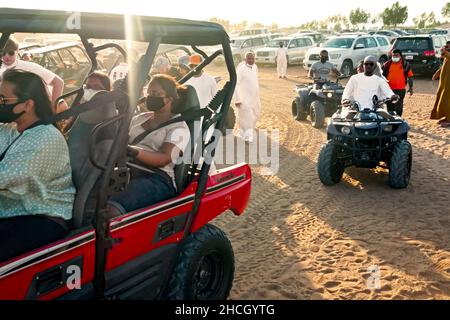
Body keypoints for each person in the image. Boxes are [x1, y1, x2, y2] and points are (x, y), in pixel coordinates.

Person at [0, 70, 75, 262]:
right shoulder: (10, 128)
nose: (0, 104)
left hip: (42, 215)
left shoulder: (45, 138)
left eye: (3, 99)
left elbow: (4, 177)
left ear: (28, 104)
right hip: (11, 207)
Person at [108, 74, 189, 213]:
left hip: (157, 178)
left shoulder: (179, 128)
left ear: (169, 99)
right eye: (149, 92)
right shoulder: (139, 118)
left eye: (156, 94)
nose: (150, 97)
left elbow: (164, 159)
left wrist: (133, 151)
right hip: (126, 169)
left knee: (111, 208)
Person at [0, 37, 64, 111]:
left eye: (10, 53)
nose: (6, 56)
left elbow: (58, 82)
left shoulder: (28, 66)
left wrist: (54, 107)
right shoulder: (2, 69)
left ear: (17, 51)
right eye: (3, 53)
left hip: (38, 111)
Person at [234, 52, 261, 143]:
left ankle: (247, 131)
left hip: (255, 97)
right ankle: (247, 136)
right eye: (249, 59)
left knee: (256, 114)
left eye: (252, 58)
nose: (251, 60)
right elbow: (236, 84)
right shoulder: (241, 69)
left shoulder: (255, 67)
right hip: (244, 98)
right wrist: (238, 99)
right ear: (245, 59)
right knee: (246, 117)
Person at [382, 49, 413, 117]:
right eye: (393, 55)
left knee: (399, 108)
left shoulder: (405, 65)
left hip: (400, 90)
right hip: (389, 90)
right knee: (390, 107)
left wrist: (410, 88)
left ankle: (398, 121)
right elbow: (382, 77)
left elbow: (410, 77)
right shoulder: (386, 65)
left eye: (397, 55)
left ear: (400, 56)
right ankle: (391, 122)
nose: (395, 57)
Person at [430, 43, 450, 127]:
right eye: (446, 46)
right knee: (442, 99)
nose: (446, 48)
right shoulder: (446, 57)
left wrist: (444, 51)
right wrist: (437, 73)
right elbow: (443, 66)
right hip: (444, 84)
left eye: (448, 46)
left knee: (447, 100)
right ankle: (446, 117)